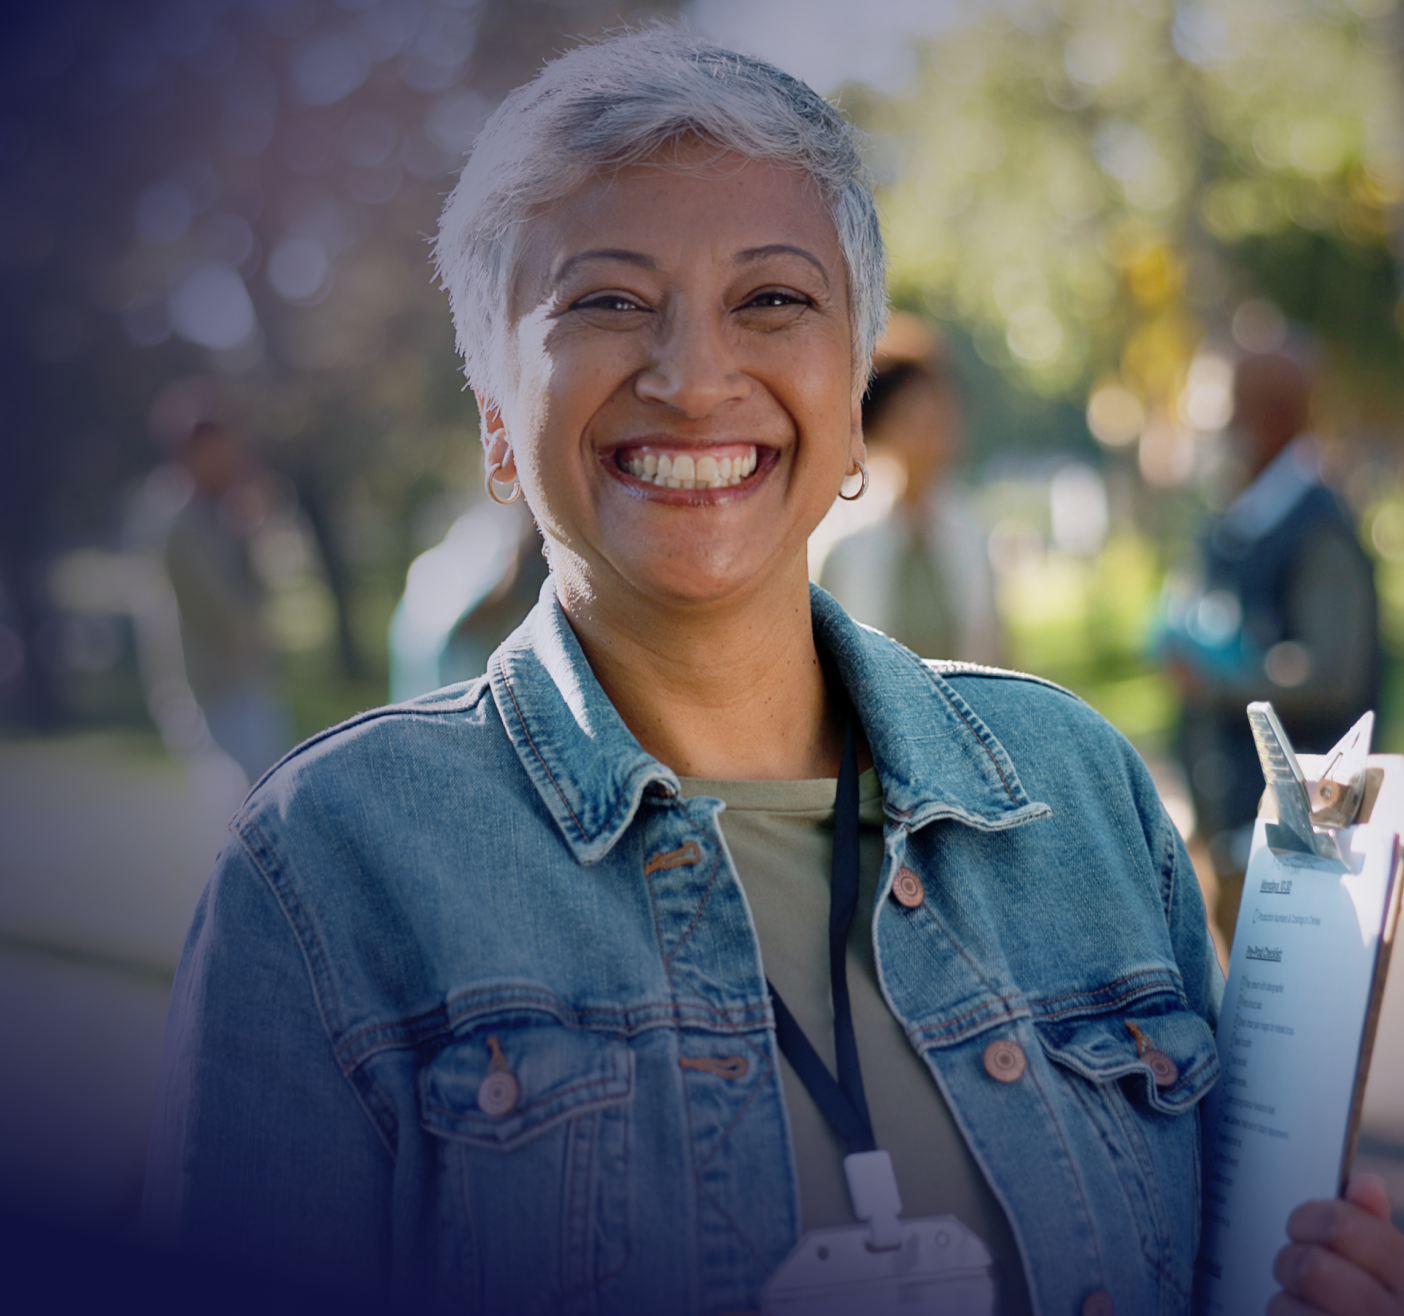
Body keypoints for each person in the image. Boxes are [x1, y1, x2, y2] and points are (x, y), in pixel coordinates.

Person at [143, 30, 1403, 1316]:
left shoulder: (1081, 796)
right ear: (495, 420)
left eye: (773, 299)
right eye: (607, 300)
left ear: (853, 399)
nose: (694, 378)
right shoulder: (323, 871)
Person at [1163, 347, 1380, 876]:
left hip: (1307, 847)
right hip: (1240, 827)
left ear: (1271, 416)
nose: (1222, 428)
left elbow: (1330, 673)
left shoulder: (1316, 526)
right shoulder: (1247, 514)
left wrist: (1217, 679)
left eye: (1232, 410)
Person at [821, 312, 1002, 665]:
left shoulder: (970, 530)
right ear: (882, 421)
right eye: (917, 413)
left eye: (942, 409)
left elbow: (994, 654)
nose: (937, 426)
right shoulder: (840, 535)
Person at [162, 419, 293, 782]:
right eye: (216, 451)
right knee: (245, 810)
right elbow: (226, 615)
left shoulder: (218, 515)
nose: (228, 460)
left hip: (245, 680)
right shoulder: (181, 526)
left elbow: (254, 594)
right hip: (214, 690)